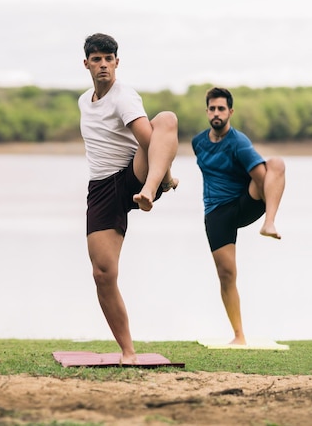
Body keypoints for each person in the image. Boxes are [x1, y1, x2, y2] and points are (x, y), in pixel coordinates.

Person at [79, 33, 179, 364]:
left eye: (109, 59)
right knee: (102, 273)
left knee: (165, 119)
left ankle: (151, 189)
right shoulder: (84, 101)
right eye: (97, 59)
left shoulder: (125, 97)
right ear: (87, 64)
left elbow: (150, 141)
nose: (104, 64)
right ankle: (128, 351)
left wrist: (160, 180)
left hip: (133, 175)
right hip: (101, 187)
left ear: (117, 63)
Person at [192, 87, 285, 345]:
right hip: (216, 212)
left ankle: (269, 222)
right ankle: (239, 335)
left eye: (221, 108)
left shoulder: (239, 142)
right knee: (226, 273)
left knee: (275, 164)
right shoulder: (197, 143)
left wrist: (266, 204)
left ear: (230, 111)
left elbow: (260, 177)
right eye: (212, 108)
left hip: (245, 202)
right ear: (207, 111)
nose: (216, 113)